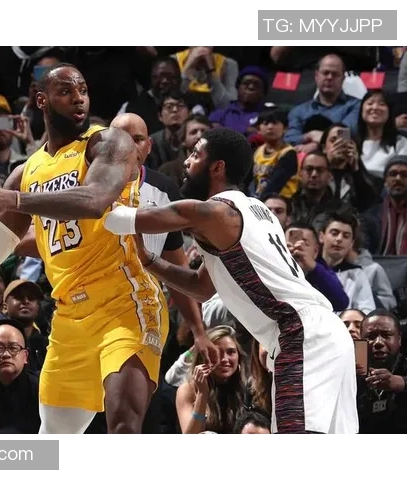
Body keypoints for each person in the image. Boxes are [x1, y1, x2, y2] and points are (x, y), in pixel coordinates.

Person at [0, 63, 219, 435]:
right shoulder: (27, 171)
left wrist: (13, 199)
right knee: (52, 442)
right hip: (70, 318)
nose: (78, 98)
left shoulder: (109, 142)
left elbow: (95, 200)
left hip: (125, 305)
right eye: (66, 91)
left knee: (123, 429)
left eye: (83, 90)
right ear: (41, 100)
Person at [104, 127, 359, 434]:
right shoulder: (257, 210)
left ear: (217, 167)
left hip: (300, 334)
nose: (186, 162)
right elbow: (201, 287)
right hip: (326, 332)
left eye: (195, 154)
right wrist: (149, 261)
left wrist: (101, 181)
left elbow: (117, 219)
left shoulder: (215, 211)